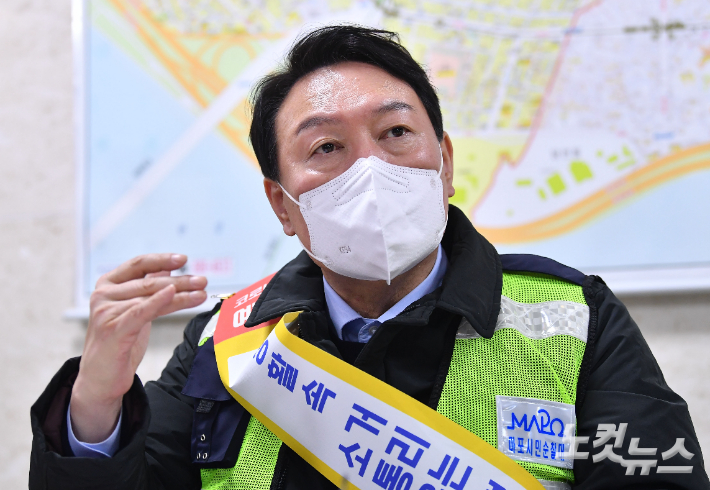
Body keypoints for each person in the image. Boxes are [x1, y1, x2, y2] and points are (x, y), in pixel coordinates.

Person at [30, 25, 708, 490]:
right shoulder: (225, 340)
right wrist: (96, 403)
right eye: (327, 147)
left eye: (396, 132)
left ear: (444, 164)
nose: (372, 170)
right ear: (282, 205)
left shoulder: (575, 318)